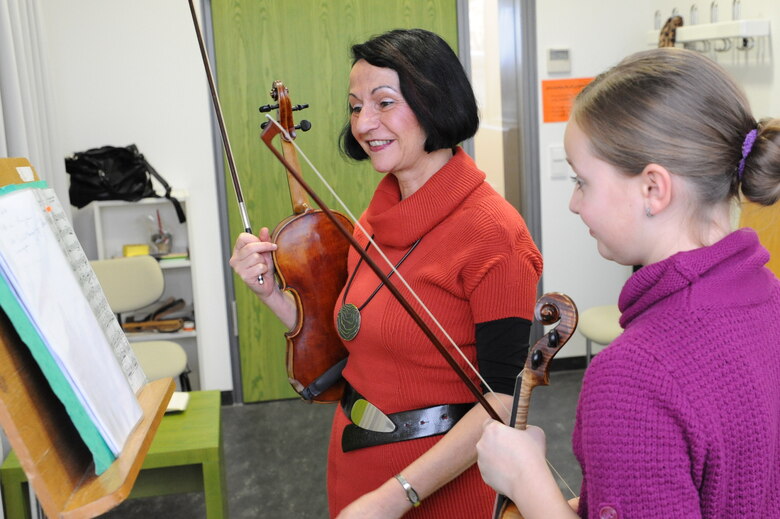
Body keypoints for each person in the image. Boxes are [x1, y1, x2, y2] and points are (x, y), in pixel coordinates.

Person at [230, 28, 542, 518]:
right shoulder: (377, 214)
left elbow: (501, 402)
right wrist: (270, 291)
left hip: (437, 485)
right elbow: (355, 333)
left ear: (435, 103)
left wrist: (394, 498)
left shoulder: (494, 232)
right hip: (356, 457)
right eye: (355, 106)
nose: (363, 123)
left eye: (383, 102)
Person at [476, 47, 780, 518]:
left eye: (583, 182)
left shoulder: (634, 375)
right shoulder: (770, 297)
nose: (575, 204)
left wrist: (527, 480)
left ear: (653, 189)